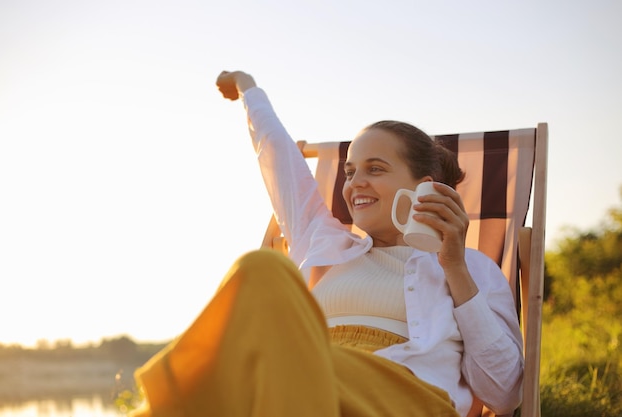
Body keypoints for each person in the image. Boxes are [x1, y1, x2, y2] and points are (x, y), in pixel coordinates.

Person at [128, 71, 524, 417]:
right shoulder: (326, 244)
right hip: (310, 376)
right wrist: (249, 88)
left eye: (375, 169)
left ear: (424, 186)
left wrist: (453, 266)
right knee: (260, 268)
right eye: (350, 172)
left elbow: (504, 394)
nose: (354, 184)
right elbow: (280, 158)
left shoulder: (470, 268)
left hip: (402, 393)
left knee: (267, 376)